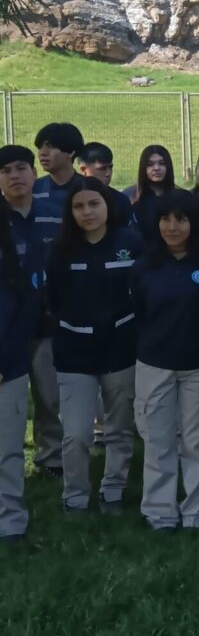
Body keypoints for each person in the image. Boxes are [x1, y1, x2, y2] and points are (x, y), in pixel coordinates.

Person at [47, 177, 142, 514]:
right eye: (78, 206)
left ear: (107, 206)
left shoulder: (131, 242)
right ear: (70, 211)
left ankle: (113, 490)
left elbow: (142, 293)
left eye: (93, 204)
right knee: (75, 434)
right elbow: (53, 300)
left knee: (118, 428)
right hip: (74, 353)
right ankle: (75, 496)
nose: (87, 212)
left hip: (121, 350)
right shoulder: (60, 251)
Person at [130, 190, 199, 531]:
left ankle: (198, 512)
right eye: (166, 219)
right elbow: (138, 313)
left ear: (193, 223)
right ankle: (159, 512)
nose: (172, 226)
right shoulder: (144, 267)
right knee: (157, 439)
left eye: (181, 219)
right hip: (154, 364)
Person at [0, 145, 64, 477]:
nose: (15, 175)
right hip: (6, 325)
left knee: (49, 393)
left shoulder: (55, 212)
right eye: (6, 170)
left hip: (46, 320)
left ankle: (51, 455)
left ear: (34, 173)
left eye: (21, 168)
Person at [0, 202, 42, 542]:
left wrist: (4, 363)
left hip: (7, 370)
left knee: (7, 450)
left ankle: (10, 519)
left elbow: (27, 313)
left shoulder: (14, 259)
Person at [126, 145, 177, 243]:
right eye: (150, 164)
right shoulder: (130, 197)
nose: (156, 168)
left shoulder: (180, 197)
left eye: (162, 163)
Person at [78, 142, 134, 228]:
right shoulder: (71, 198)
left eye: (110, 167)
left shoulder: (121, 200)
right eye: (102, 168)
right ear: (83, 170)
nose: (108, 173)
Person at [32, 123, 85, 212]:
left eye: (51, 147)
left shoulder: (89, 188)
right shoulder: (32, 189)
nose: (42, 153)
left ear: (71, 151)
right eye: (40, 147)